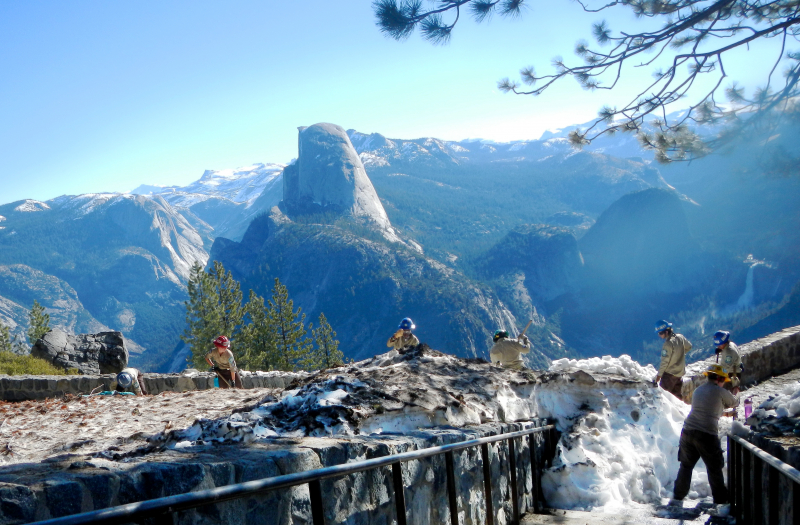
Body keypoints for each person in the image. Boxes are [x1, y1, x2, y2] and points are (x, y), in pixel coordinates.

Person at [670, 364, 738, 511]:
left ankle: (677, 497)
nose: (724, 383)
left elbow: (707, 407)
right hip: (706, 434)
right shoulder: (719, 391)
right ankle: (720, 501)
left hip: (687, 431)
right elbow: (734, 402)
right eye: (723, 380)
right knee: (714, 468)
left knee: (686, 466)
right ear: (719, 379)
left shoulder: (698, 390)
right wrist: (734, 393)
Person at [654, 320, 691, 401]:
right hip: (679, 373)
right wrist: (679, 354)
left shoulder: (668, 344)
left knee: (663, 398)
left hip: (669, 375)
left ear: (666, 332)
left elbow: (665, 362)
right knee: (677, 399)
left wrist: (659, 375)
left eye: (660, 333)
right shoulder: (680, 337)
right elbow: (689, 346)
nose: (659, 335)